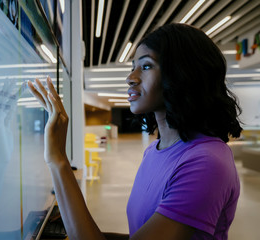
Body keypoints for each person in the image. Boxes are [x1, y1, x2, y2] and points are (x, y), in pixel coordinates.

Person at [27, 23, 242, 240]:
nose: (131, 77)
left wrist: (58, 159)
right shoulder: (155, 150)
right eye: (133, 66)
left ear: (182, 74)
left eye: (146, 66)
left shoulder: (205, 163)